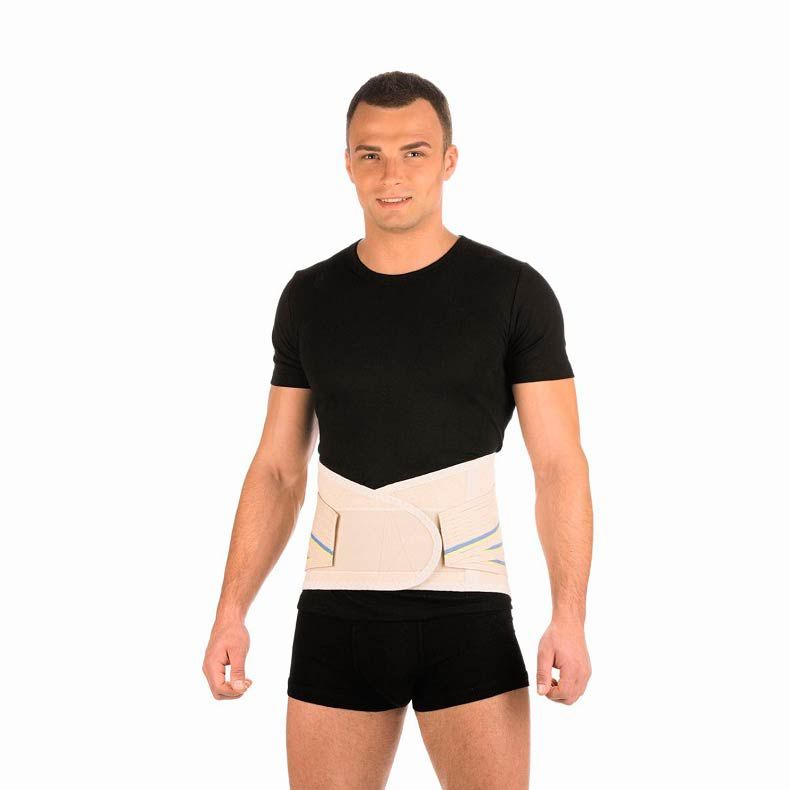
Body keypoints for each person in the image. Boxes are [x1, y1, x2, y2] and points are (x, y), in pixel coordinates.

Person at [203, 71, 593, 789]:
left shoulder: (513, 291)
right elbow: (278, 470)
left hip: (466, 613)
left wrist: (569, 617)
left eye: (414, 152)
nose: (392, 175)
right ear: (347, 163)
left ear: (449, 160)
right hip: (336, 617)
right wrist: (231, 611)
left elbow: (560, 466)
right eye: (371, 155)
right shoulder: (309, 296)